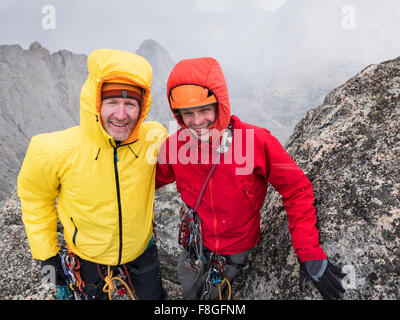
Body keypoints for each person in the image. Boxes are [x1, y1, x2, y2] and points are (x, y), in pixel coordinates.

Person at [155, 57, 346, 300]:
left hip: (236, 251)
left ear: (219, 105)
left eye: (204, 110)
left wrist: (308, 251)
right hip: (193, 245)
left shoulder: (256, 141)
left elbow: (296, 188)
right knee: (190, 292)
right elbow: (148, 180)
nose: (197, 122)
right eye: (187, 114)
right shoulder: (175, 146)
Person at [17, 49, 168, 300]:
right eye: (111, 102)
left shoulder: (153, 137)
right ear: (94, 103)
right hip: (88, 258)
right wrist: (47, 257)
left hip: (141, 250)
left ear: (142, 108)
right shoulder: (52, 150)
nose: (121, 115)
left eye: (130, 103)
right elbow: (35, 200)